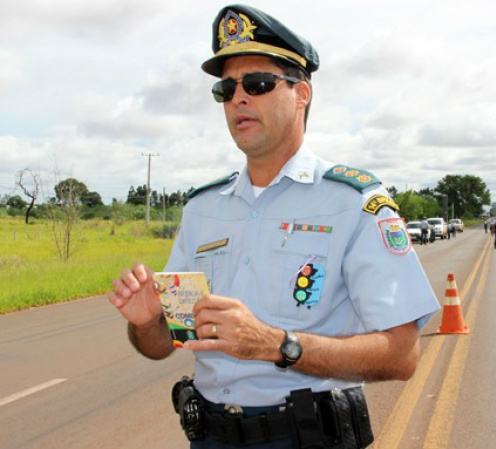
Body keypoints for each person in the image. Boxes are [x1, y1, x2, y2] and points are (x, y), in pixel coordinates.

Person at [108, 4, 439, 449]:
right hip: (210, 436)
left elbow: (402, 355)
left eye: (258, 84)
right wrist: (146, 322)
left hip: (308, 437)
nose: (238, 98)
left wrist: (278, 345)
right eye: (226, 89)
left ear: (301, 94)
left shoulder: (353, 202)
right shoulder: (203, 209)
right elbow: (166, 341)